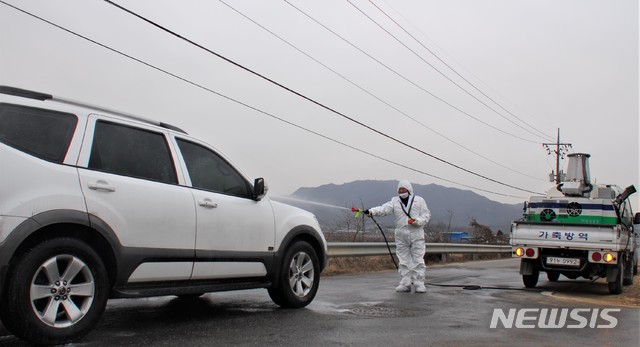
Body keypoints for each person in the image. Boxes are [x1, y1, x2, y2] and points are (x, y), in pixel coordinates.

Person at [365, 180, 431, 293]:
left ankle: (419, 283)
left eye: (403, 189)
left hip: (416, 233)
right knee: (403, 259)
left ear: (409, 190)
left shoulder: (419, 200)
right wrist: (371, 211)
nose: (401, 191)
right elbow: (384, 209)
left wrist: (417, 221)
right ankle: (405, 283)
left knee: (418, 259)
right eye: (399, 190)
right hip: (401, 234)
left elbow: (426, 215)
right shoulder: (395, 201)